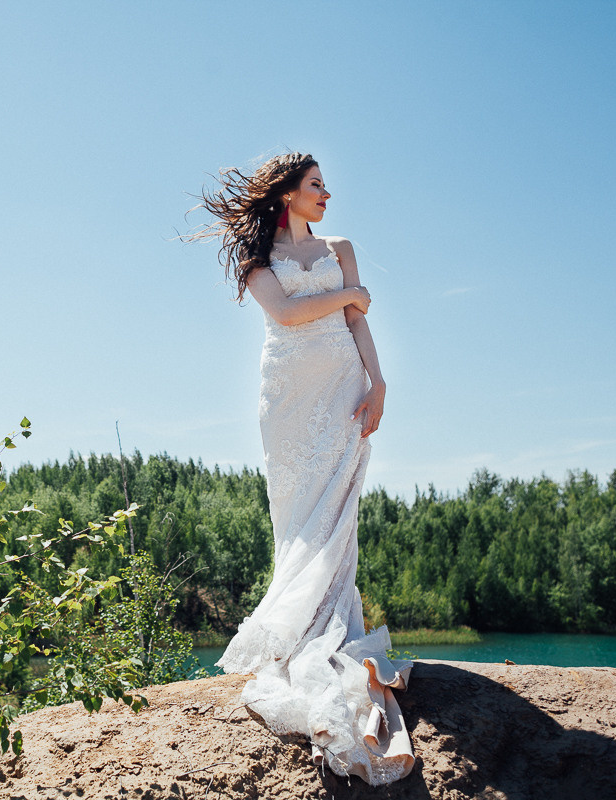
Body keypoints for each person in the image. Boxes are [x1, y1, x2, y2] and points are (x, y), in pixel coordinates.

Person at [198, 152, 414, 785]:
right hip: (289, 401)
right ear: (287, 194)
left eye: (324, 184)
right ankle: (296, 633)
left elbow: (357, 325)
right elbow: (288, 315)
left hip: (344, 389)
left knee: (340, 504)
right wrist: (353, 291)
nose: (327, 193)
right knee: (298, 516)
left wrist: (378, 382)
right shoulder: (258, 262)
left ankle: (335, 627)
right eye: (316, 185)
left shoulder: (339, 245)